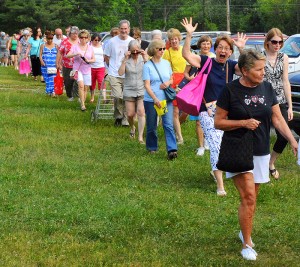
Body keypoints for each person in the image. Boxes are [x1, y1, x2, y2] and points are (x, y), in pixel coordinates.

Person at [214, 49, 298, 261]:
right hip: (238, 149)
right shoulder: (230, 90)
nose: (263, 73)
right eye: (259, 69)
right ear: (244, 70)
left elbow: (277, 118)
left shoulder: (267, 88)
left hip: (260, 150)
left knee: (252, 198)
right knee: (248, 197)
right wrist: (243, 123)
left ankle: (245, 229)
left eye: (263, 69)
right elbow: (218, 122)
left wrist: (291, 139)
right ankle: (246, 244)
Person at [181, 17, 247, 196]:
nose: (223, 51)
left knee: (226, 145)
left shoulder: (232, 66)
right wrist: (188, 35)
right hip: (206, 112)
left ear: (230, 52)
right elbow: (186, 55)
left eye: (227, 48)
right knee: (216, 145)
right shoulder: (206, 61)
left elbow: (247, 68)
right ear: (214, 49)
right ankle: (220, 185)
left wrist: (241, 48)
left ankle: (215, 169)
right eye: (220, 47)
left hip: (226, 113)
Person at [263, 28, 293, 179]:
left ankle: (270, 162)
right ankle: (258, 166)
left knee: (283, 136)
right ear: (268, 42)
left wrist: (290, 106)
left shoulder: (284, 57)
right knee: (263, 136)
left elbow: (285, 81)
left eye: (280, 42)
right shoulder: (260, 57)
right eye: (274, 42)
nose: (277, 45)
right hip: (263, 101)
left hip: (280, 101)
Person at [143, 39, 178, 160]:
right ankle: (152, 147)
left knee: (168, 124)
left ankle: (172, 149)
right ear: (154, 50)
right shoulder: (147, 66)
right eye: (160, 49)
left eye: (164, 48)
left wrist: (168, 83)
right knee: (152, 125)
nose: (163, 51)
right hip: (151, 100)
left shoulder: (166, 63)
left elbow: (172, 78)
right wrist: (155, 99)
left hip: (165, 99)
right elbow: (147, 85)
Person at [182, 35, 215, 156]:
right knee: (198, 120)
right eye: (204, 43)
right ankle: (200, 146)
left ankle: (208, 140)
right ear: (200, 45)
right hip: (197, 91)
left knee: (211, 118)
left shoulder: (214, 58)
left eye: (208, 44)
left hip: (210, 92)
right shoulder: (194, 57)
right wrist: (190, 78)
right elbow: (186, 73)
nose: (206, 46)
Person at [104, 19, 134, 126]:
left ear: (129, 29)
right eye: (122, 28)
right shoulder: (112, 41)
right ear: (119, 29)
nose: (123, 30)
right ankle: (118, 116)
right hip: (114, 73)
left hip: (128, 74)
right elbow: (106, 57)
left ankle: (126, 119)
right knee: (117, 96)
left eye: (125, 28)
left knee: (126, 96)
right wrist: (111, 67)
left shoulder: (132, 41)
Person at [118, 39, 147, 144]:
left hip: (141, 88)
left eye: (137, 50)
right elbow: (120, 73)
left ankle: (140, 137)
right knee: (130, 114)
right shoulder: (126, 59)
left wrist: (145, 57)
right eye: (133, 51)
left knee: (141, 112)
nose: (135, 53)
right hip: (129, 89)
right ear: (129, 50)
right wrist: (125, 59)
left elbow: (150, 71)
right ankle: (132, 128)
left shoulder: (142, 59)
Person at [163, 28, 186, 144]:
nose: (174, 41)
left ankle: (176, 126)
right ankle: (180, 137)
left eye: (175, 39)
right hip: (173, 82)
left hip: (186, 81)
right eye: (171, 40)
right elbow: (165, 69)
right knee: (175, 112)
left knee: (186, 110)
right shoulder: (167, 53)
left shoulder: (184, 50)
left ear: (179, 39)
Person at [67, 29, 95, 111]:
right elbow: (67, 55)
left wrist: (88, 60)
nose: (83, 39)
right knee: (81, 85)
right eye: (81, 37)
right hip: (77, 69)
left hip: (87, 69)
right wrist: (76, 54)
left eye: (85, 37)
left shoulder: (90, 48)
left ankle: (83, 101)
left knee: (86, 88)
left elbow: (94, 59)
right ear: (79, 38)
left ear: (88, 38)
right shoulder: (75, 46)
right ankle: (82, 105)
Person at [56, 26, 79, 101]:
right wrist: (58, 63)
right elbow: (60, 52)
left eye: (76, 33)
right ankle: (70, 95)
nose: (75, 35)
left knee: (77, 82)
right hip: (67, 65)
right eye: (73, 33)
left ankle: (77, 96)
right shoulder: (65, 41)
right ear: (70, 33)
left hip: (78, 66)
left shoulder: (80, 41)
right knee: (68, 81)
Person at [39, 31, 58, 96]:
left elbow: (59, 55)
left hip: (53, 65)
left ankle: (53, 92)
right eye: (48, 39)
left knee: (52, 78)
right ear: (46, 39)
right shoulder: (43, 45)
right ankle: (48, 91)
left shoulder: (56, 46)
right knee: (46, 78)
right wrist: (41, 61)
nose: (50, 40)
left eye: (51, 39)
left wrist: (57, 63)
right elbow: (40, 55)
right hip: (45, 65)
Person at [90, 32, 106, 103]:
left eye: (98, 40)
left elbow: (105, 55)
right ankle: (92, 96)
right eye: (95, 40)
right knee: (92, 82)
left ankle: (104, 98)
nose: (97, 41)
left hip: (100, 67)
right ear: (92, 40)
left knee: (101, 82)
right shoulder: (89, 46)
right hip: (91, 67)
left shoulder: (102, 45)